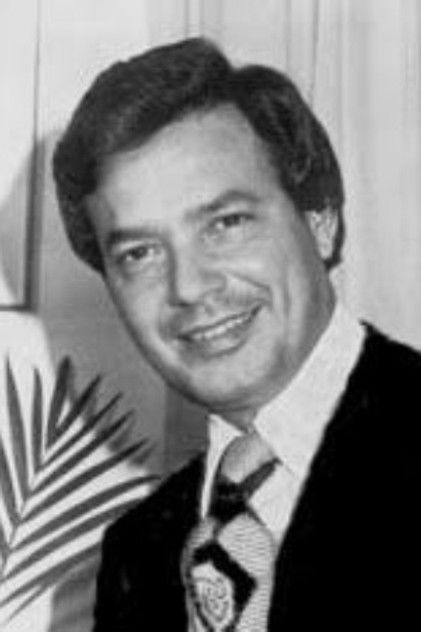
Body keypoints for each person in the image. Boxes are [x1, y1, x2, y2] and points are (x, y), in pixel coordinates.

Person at [53, 38, 419, 630]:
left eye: (225, 223)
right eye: (140, 253)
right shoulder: (138, 551)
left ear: (321, 221)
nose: (188, 287)